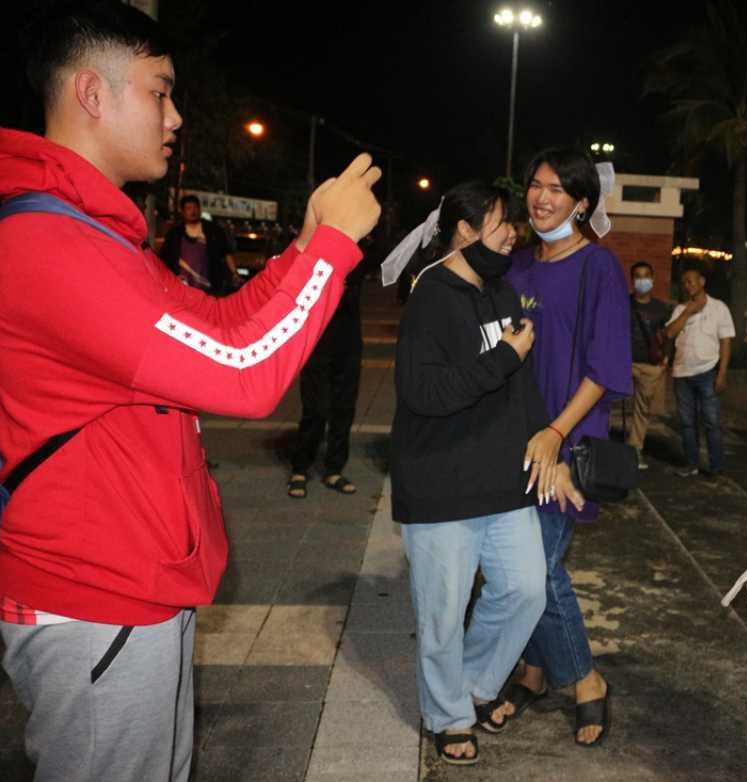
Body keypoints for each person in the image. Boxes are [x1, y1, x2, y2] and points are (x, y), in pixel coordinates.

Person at [0, 4, 381, 778]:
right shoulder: (49, 244)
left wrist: (303, 245)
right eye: (160, 92)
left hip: (134, 583)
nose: (176, 117)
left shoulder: (97, 234)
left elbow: (221, 324)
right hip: (95, 596)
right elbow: (241, 373)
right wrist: (332, 249)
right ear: (92, 94)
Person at [391, 181, 582, 765]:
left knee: (525, 588)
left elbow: (520, 388)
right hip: (440, 482)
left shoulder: (500, 292)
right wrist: (503, 357)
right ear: (465, 230)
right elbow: (424, 393)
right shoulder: (430, 296)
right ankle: (447, 715)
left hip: (502, 479)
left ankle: (470, 685)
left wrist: (551, 451)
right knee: (443, 613)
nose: (512, 235)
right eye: (500, 224)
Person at [504, 147, 631, 747]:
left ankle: (585, 679)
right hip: (512, 440)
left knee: (538, 568)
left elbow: (605, 367)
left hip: (566, 440)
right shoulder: (518, 265)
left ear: (581, 203)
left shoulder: (597, 267)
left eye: (557, 189)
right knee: (516, 566)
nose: (542, 197)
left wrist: (556, 435)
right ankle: (532, 670)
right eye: (536, 185)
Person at [287, 258, 366, 498]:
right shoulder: (317, 253)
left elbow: (378, 257)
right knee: (315, 408)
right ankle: (300, 468)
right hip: (317, 342)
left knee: (344, 407)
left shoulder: (357, 255)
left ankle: (334, 469)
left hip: (348, 340)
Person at [665, 265, 735, 478]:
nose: (687, 285)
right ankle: (691, 463)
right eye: (684, 282)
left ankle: (716, 467)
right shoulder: (680, 309)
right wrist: (688, 312)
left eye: (691, 281)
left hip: (707, 372)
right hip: (681, 374)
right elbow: (669, 333)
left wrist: (722, 374)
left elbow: (726, 342)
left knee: (712, 422)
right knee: (687, 423)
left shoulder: (719, 308)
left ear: (702, 282)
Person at [626, 261, 673, 469]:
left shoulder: (661, 308)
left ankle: (635, 449)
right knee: (603, 402)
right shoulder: (623, 303)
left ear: (652, 279)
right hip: (624, 363)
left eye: (646, 275)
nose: (642, 280)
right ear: (632, 280)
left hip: (649, 366)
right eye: (638, 276)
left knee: (642, 410)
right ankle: (599, 444)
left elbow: (669, 335)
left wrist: (666, 359)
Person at [159, 194, 240, 294]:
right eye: (188, 208)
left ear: (200, 209)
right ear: (183, 212)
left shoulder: (213, 231)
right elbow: (165, 258)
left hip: (210, 288)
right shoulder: (174, 234)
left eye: (195, 207)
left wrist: (234, 273)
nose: (193, 211)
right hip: (182, 288)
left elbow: (226, 253)